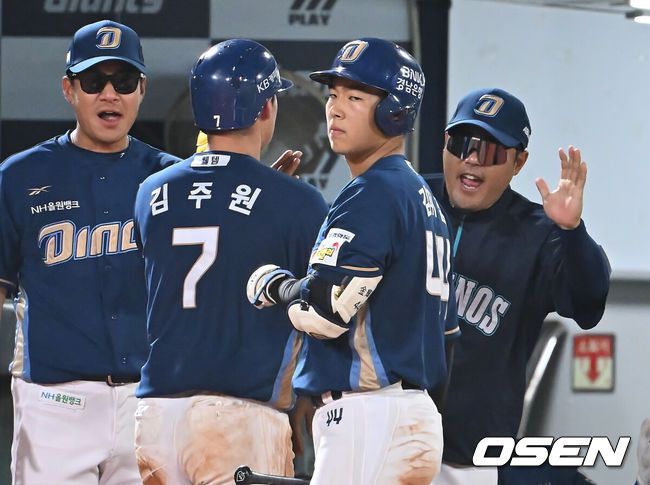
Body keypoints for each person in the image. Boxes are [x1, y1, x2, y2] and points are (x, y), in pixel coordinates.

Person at [247, 37, 460, 485]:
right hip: (407, 414)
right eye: (333, 95)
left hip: (370, 416)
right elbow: (448, 333)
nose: (336, 109)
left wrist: (276, 284)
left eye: (356, 98)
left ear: (395, 110)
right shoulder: (423, 199)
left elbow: (323, 314)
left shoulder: (373, 192)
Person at [132, 39, 328, 485]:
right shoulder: (296, 201)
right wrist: (274, 195)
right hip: (238, 417)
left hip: (156, 415)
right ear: (265, 108)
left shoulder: (150, 191)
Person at [0, 20, 179, 484]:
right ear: (69, 89)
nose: (109, 94)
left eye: (124, 81)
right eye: (94, 80)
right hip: (54, 402)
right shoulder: (18, 176)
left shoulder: (174, 180)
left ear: (141, 89)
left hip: (149, 398)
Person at [426, 87, 610, 485]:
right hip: (389, 439)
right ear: (445, 144)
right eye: (462, 144)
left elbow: (589, 305)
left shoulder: (538, 233)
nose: (472, 159)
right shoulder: (410, 201)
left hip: (470, 463)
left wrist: (572, 232)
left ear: (518, 162)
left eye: (491, 151)